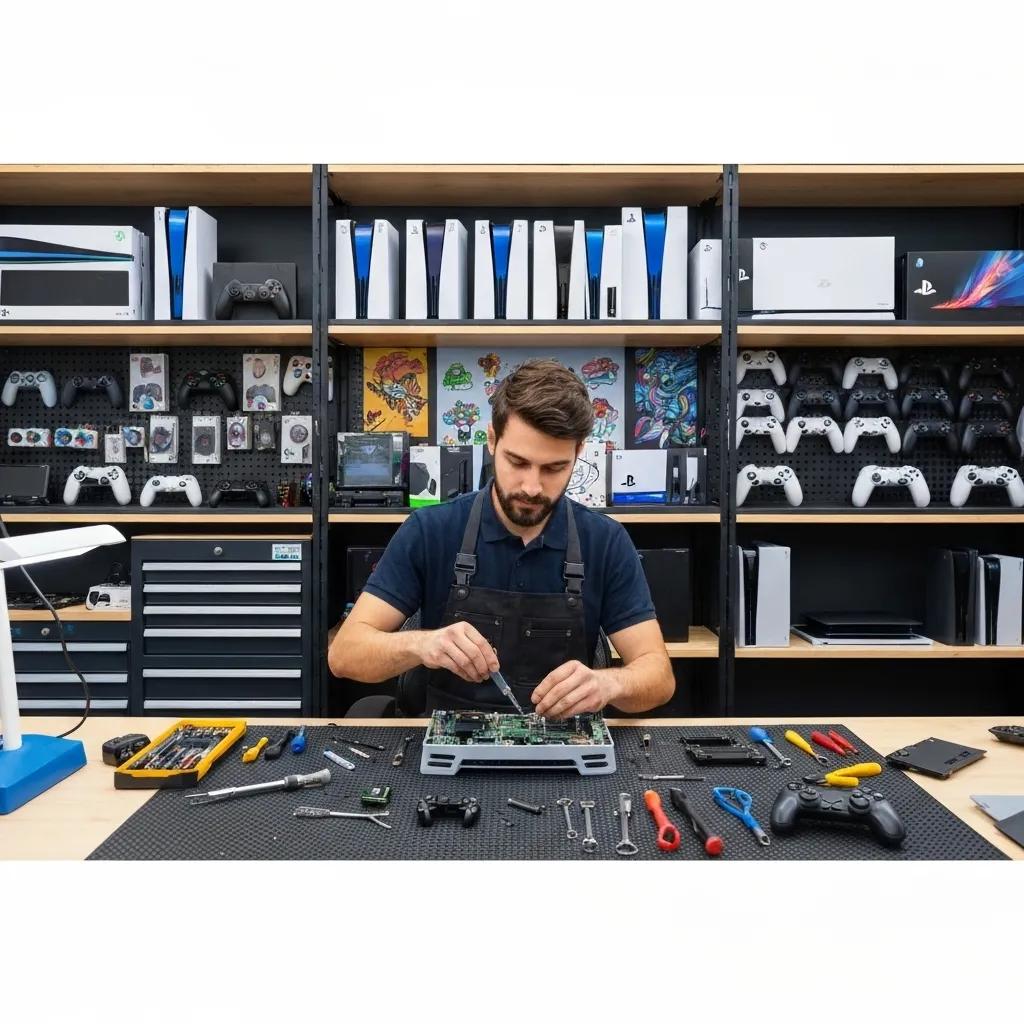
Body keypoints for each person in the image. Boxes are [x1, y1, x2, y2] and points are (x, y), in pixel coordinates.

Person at [327, 359, 675, 719]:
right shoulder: (430, 531)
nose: (532, 487)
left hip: (564, 753)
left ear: (578, 453)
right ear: (492, 441)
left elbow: (659, 677)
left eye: (554, 468)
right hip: (448, 756)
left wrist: (609, 685)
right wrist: (423, 643)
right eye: (518, 462)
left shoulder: (606, 542)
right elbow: (344, 655)